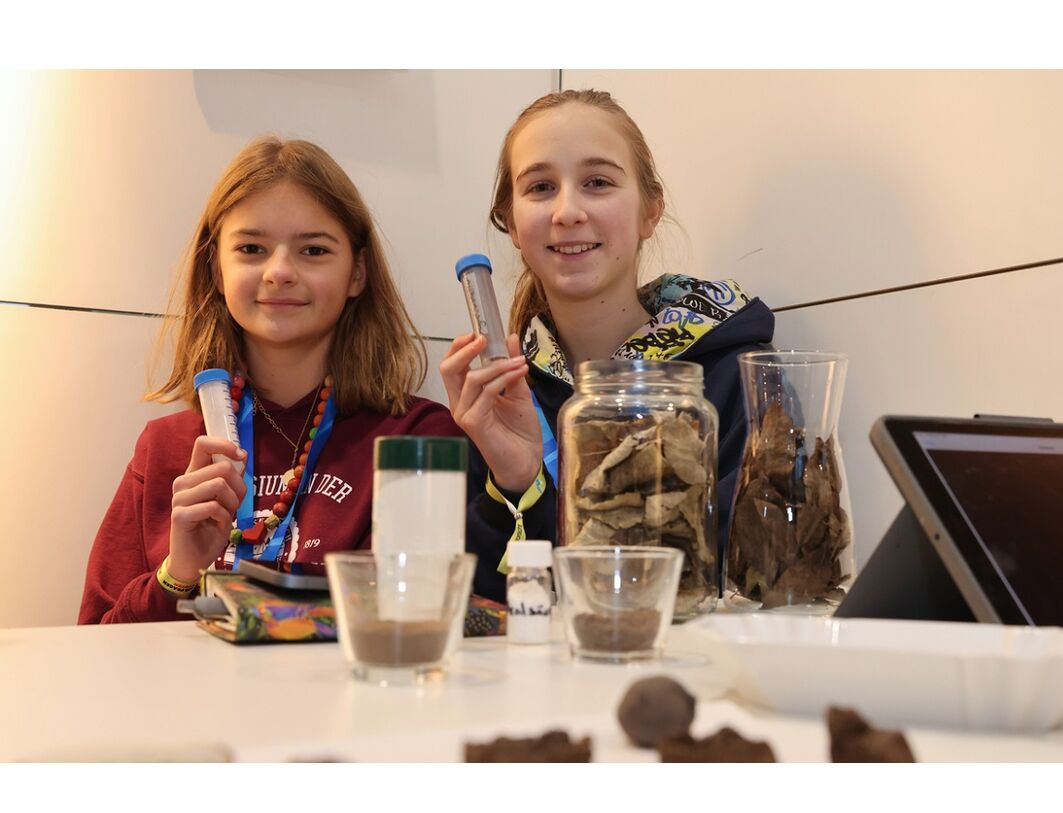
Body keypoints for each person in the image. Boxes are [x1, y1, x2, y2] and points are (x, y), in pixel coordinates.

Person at [80, 137, 462, 624]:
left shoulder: (417, 440)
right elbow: (92, 651)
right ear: (216, 269)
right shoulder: (165, 449)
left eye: (314, 250)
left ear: (357, 274)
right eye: (252, 248)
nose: (280, 272)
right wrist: (179, 574)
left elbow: (415, 631)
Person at [440, 89, 775, 603]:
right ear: (510, 223)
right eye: (540, 187)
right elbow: (486, 611)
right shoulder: (497, 396)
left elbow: (753, 577)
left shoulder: (736, 378)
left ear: (650, 210)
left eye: (597, 183)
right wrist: (518, 482)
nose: (567, 211)